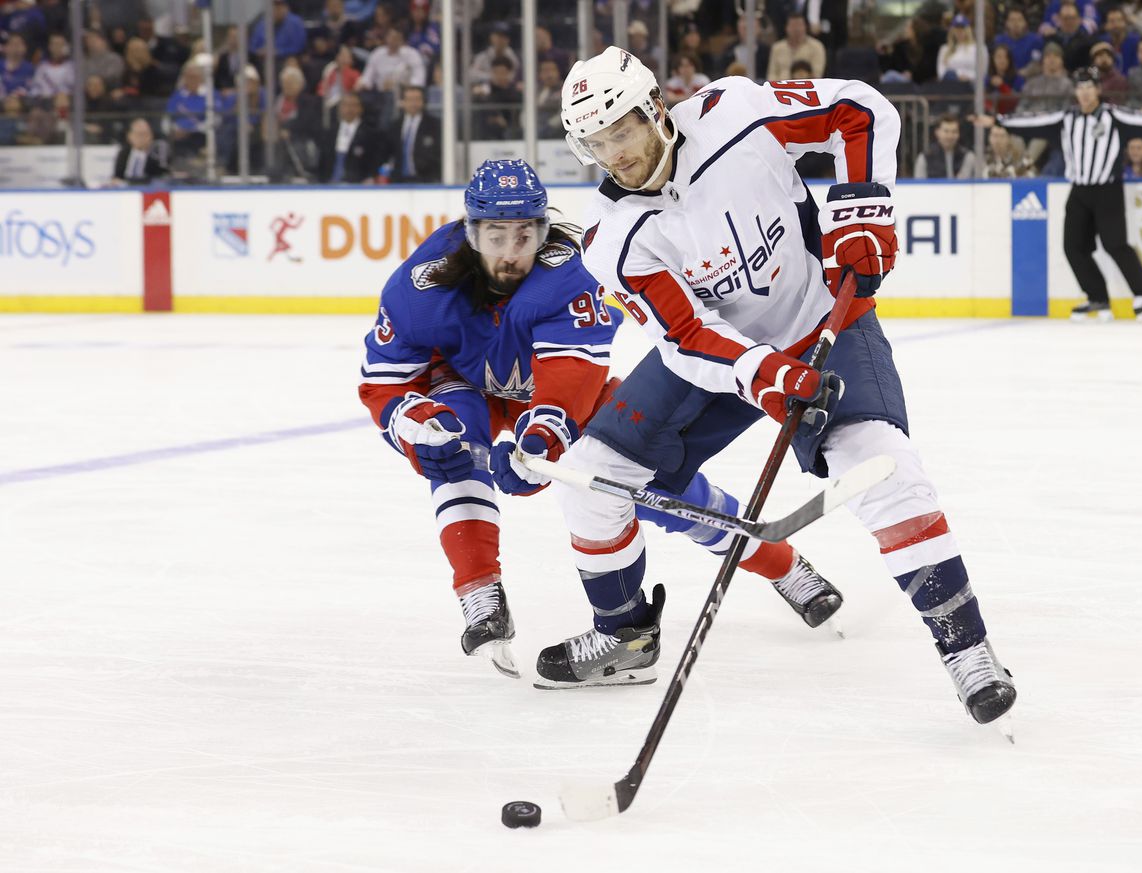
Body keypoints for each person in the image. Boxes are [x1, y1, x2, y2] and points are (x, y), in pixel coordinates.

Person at [551, 47, 1018, 727]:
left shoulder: (734, 113)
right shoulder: (613, 237)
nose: (612, 153)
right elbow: (687, 335)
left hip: (822, 316)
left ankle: (968, 650)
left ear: (655, 107)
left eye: (620, 130)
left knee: (887, 469)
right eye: (595, 141)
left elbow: (859, 109)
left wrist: (864, 205)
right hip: (721, 359)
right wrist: (762, 374)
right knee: (594, 475)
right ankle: (625, 634)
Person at [357, 159, 845, 679]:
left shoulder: (573, 272)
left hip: (550, 397)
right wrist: (411, 420)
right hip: (461, 384)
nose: (510, 253)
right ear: (471, 232)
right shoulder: (420, 285)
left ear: (543, 231)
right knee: (452, 449)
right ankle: (481, 596)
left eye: (525, 235)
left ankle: (783, 565)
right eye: (495, 236)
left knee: (641, 478)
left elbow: (568, 378)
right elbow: (386, 379)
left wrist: (541, 438)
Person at [977, 66, 1142, 320]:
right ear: (1075, 91)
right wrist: (998, 121)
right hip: (1080, 191)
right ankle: (1097, 297)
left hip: (1107, 189)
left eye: (1089, 87)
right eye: (1080, 87)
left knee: (1114, 243)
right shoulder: (1066, 119)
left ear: (1098, 90)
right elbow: (1033, 121)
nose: (1084, 93)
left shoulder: (1113, 116)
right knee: (1073, 246)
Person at [318, 91, 383, 182]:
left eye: (353, 105)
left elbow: (375, 161)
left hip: (357, 187)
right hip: (329, 185)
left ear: (361, 108)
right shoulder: (330, 133)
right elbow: (323, 162)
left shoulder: (371, 134)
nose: (349, 109)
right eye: (345, 105)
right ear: (340, 108)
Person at [388, 84, 439, 182]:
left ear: (423, 102)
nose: (413, 103)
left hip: (426, 181)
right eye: (409, 100)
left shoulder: (434, 125)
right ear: (403, 102)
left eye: (417, 99)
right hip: (398, 181)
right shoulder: (395, 126)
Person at [358, 26, 425, 94]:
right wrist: (363, 84)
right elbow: (367, 76)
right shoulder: (377, 54)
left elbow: (419, 77)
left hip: (405, 92)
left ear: (401, 40)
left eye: (396, 38)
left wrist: (407, 87)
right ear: (386, 38)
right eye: (391, 37)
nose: (393, 41)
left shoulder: (412, 54)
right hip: (381, 93)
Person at [914, 113, 979, 177]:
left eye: (954, 131)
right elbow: (919, 184)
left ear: (959, 134)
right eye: (946, 131)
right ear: (937, 132)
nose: (950, 136)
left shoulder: (968, 156)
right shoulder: (925, 157)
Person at [767, 13, 827, 80]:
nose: (796, 29)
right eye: (793, 25)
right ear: (786, 28)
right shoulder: (777, 48)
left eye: (799, 25)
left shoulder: (817, 46)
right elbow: (771, 75)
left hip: (806, 87)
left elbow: (817, 74)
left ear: (805, 27)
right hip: (780, 87)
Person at [112, 117, 169, 184]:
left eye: (145, 134)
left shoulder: (157, 155)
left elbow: (162, 175)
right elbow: (117, 176)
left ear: (151, 136)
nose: (142, 138)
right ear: (129, 136)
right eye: (139, 134)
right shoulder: (123, 154)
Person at [995, 7, 1045, 76]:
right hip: (1004, 78)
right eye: (1012, 20)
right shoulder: (999, 41)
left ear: (1025, 23)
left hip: (1028, 79)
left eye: (1020, 20)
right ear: (1006, 23)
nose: (1016, 24)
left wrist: (1019, 75)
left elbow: (1036, 63)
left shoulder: (1035, 41)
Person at [938, 14, 978, 81]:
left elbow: (982, 72)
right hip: (951, 84)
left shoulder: (976, 48)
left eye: (962, 28)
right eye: (956, 29)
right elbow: (941, 71)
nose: (959, 32)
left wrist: (969, 77)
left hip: (970, 84)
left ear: (967, 30)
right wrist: (957, 77)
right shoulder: (944, 49)